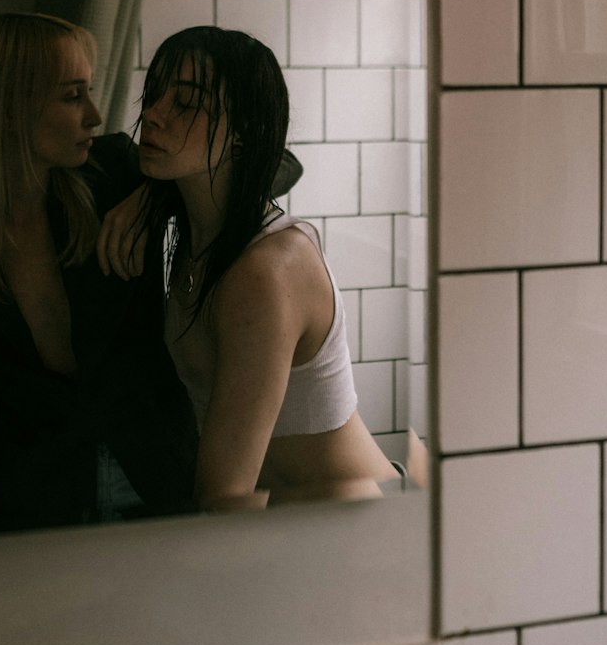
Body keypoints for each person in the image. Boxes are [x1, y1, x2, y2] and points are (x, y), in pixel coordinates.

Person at [100, 26, 400, 511]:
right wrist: (151, 194)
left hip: (360, 522)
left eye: (186, 102)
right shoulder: (202, 239)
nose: (152, 115)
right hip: (294, 523)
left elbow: (225, 494)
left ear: (243, 130)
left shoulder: (267, 271)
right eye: (154, 94)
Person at [0, 11, 198, 536]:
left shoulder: (115, 173)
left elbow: (269, 166)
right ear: (5, 110)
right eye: (72, 96)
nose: (94, 115)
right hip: (40, 502)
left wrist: (154, 196)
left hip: (159, 475)